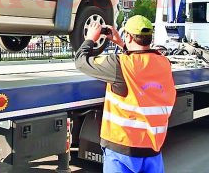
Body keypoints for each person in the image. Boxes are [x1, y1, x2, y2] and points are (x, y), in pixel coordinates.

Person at [75, 15, 176, 173]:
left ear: (128, 36)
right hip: (152, 148)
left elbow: (81, 62)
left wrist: (90, 39)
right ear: (149, 38)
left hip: (121, 149)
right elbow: (141, 59)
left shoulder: (119, 64)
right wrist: (122, 43)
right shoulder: (164, 63)